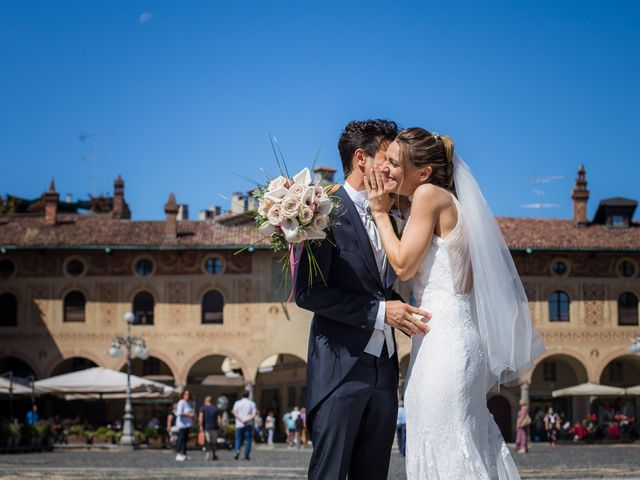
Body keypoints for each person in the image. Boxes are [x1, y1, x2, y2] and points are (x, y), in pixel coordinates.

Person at [365, 127, 544, 478]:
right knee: (452, 436)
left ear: (424, 173)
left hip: (444, 342)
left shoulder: (429, 195)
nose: (385, 168)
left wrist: (380, 214)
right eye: (385, 160)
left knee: (443, 439)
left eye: (395, 163)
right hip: (448, 336)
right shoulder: (445, 201)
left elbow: (403, 264)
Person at [295, 119, 430, 480]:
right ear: (361, 159)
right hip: (340, 370)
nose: (392, 168)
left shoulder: (395, 214)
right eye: (387, 158)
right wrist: (381, 311)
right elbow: (308, 293)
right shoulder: (321, 211)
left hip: (384, 373)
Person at [232, 391, 256, 460]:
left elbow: (234, 412)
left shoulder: (237, 403)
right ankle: (246, 455)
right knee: (248, 440)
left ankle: (237, 451)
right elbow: (253, 414)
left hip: (239, 424)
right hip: (248, 423)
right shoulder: (252, 403)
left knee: (238, 439)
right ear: (248, 395)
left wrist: (241, 420)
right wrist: (246, 420)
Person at [198, 395, 220, 461]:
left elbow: (201, 418)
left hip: (206, 427)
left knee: (208, 442)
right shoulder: (215, 408)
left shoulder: (203, 408)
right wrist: (219, 427)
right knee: (214, 442)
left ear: (205, 401)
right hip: (214, 428)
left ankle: (207, 454)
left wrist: (200, 426)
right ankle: (214, 454)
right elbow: (219, 420)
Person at [175, 390, 195, 461]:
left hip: (187, 424)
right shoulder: (181, 402)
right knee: (181, 439)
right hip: (182, 424)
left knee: (185, 440)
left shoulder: (189, 403)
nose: (187, 396)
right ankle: (178, 453)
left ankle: (184, 454)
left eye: (188, 394)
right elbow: (179, 412)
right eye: (186, 394)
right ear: (183, 395)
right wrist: (189, 415)